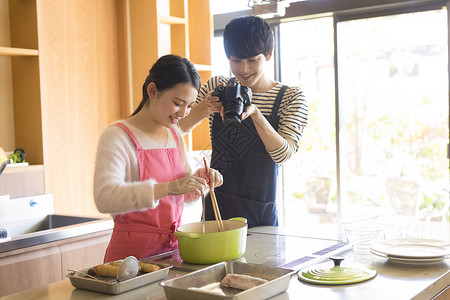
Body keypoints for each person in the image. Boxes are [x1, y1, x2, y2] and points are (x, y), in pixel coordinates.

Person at [178, 16, 308, 228]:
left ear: (268, 55)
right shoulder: (217, 85)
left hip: (261, 214)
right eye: (236, 60)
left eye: (252, 60)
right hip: (217, 208)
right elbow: (175, 132)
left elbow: (283, 155)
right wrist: (205, 106)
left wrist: (255, 114)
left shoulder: (290, 97)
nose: (244, 69)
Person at [94, 54, 223, 262]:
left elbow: (182, 194)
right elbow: (104, 198)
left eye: (189, 106)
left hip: (172, 253)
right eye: (177, 103)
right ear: (152, 91)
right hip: (130, 259)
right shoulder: (118, 136)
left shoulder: (174, 135)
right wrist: (169, 186)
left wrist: (199, 181)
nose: (183, 113)